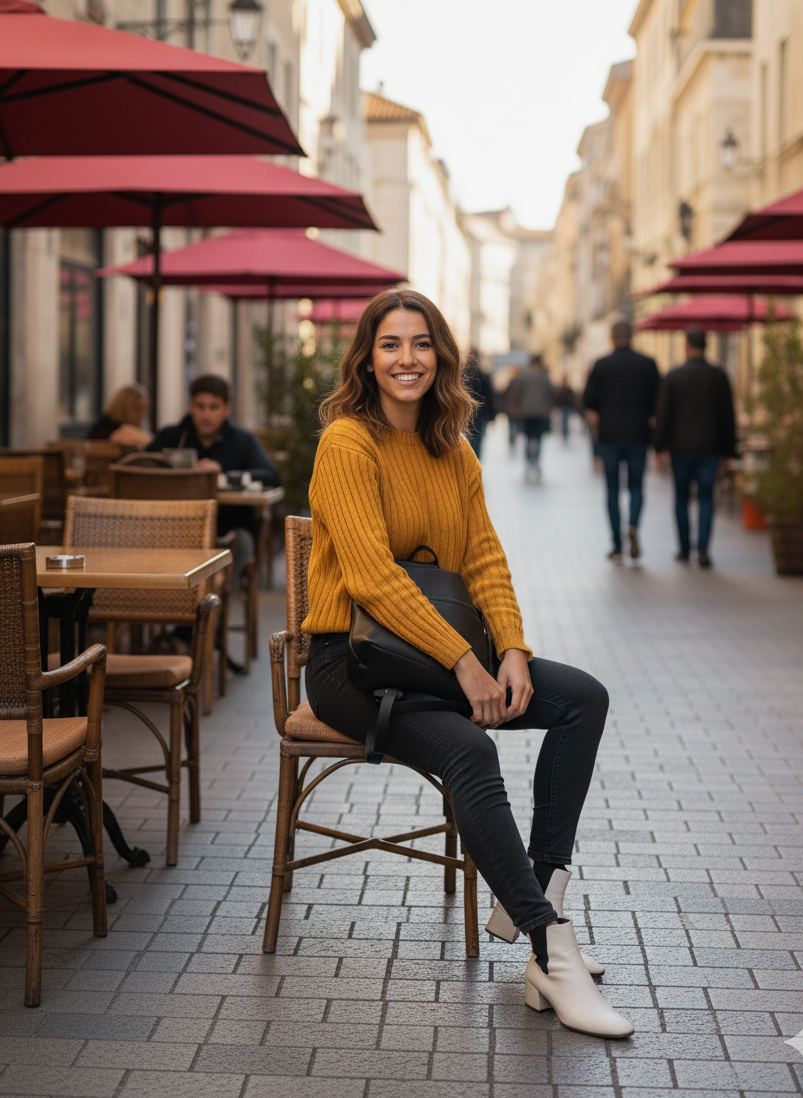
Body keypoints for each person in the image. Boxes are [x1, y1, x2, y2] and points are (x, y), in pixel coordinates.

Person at [302, 288, 633, 1039]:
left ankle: (536, 895)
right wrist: (465, 664)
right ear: (367, 357)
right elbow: (372, 579)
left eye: (421, 344)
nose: (407, 358)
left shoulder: (453, 449)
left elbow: (483, 557)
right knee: (471, 747)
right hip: (352, 668)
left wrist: (510, 649)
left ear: (442, 358)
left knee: (584, 699)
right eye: (390, 344)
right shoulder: (345, 444)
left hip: (437, 660)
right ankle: (551, 949)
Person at [147, 374, 280, 591]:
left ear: (227, 409)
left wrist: (225, 475)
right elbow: (144, 466)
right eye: (200, 406)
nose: (206, 414)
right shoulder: (173, 436)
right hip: (178, 528)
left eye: (213, 407)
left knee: (241, 543)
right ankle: (177, 611)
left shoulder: (242, 440)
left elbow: (271, 475)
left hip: (228, 528)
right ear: (190, 406)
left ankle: (212, 612)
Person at [654, 329, 737, 568]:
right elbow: (727, 416)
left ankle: (683, 548)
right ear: (706, 346)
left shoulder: (674, 376)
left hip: (681, 449)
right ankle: (703, 549)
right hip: (711, 449)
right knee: (706, 498)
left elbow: (663, 414)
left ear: (686, 346)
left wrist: (659, 446)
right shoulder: (718, 376)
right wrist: (729, 450)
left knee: (681, 498)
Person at [582, 320, 661, 562]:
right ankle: (633, 526)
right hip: (639, 435)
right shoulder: (648, 365)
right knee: (637, 487)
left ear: (612, 338)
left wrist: (594, 449)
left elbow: (588, 404)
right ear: (632, 337)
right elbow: (660, 403)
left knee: (613, 491)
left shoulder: (601, 365)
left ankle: (617, 546)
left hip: (609, 437)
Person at [509, 355, 556, 481]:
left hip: (526, 413)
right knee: (538, 438)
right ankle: (537, 462)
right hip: (541, 413)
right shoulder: (544, 376)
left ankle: (527, 463)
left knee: (528, 438)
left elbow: (516, 392)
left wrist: (518, 407)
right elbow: (551, 392)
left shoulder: (523, 376)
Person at [87, 384, 153, 448]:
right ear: (125, 408)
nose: (144, 414)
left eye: (145, 409)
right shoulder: (108, 431)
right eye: (139, 408)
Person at [463, 347, 496, 459]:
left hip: (463, 414)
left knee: (463, 441)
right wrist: (492, 416)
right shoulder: (483, 375)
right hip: (480, 414)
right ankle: (474, 465)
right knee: (477, 441)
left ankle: (466, 465)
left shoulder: (461, 374)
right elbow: (489, 397)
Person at [554, 377, 579, 441]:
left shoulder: (567, 390)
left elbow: (572, 398)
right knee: (564, 420)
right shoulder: (562, 389)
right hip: (563, 406)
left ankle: (565, 432)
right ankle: (565, 432)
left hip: (567, 406)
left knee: (565, 420)